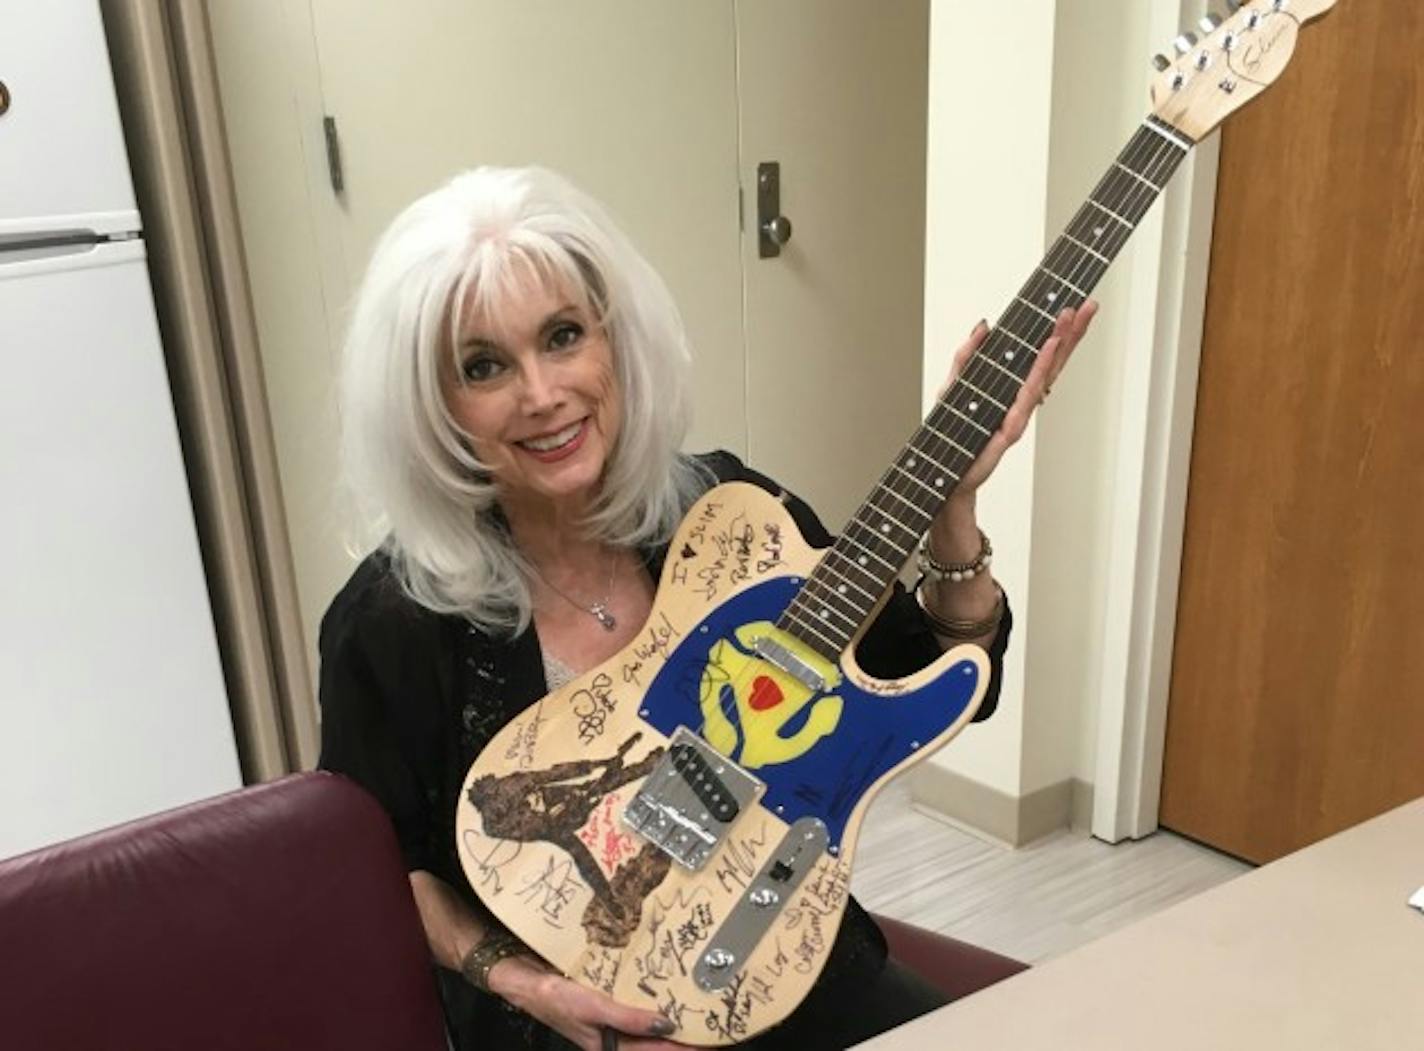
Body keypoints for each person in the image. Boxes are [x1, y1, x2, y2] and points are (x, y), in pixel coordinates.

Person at [318, 166, 1095, 1051]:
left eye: (564, 336)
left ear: (614, 342)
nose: (542, 393)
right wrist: (528, 986)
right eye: (485, 365)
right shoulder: (394, 617)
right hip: (567, 1021)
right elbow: (383, 875)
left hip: (785, 961)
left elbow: (926, 673)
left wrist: (954, 516)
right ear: (433, 404)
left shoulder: (725, 512)